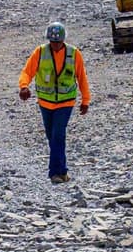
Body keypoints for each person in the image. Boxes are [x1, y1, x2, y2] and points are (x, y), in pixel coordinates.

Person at [18, 22, 91, 184]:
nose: (55, 45)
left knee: (58, 134)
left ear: (63, 40)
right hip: (45, 103)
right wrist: (24, 86)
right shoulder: (40, 52)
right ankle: (63, 171)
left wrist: (85, 100)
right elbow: (27, 72)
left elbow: (82, 77)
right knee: (52, 137)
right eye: (52, 42)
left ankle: (54, 173)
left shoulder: (74, 54)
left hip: (66, 102)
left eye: (58, 42)